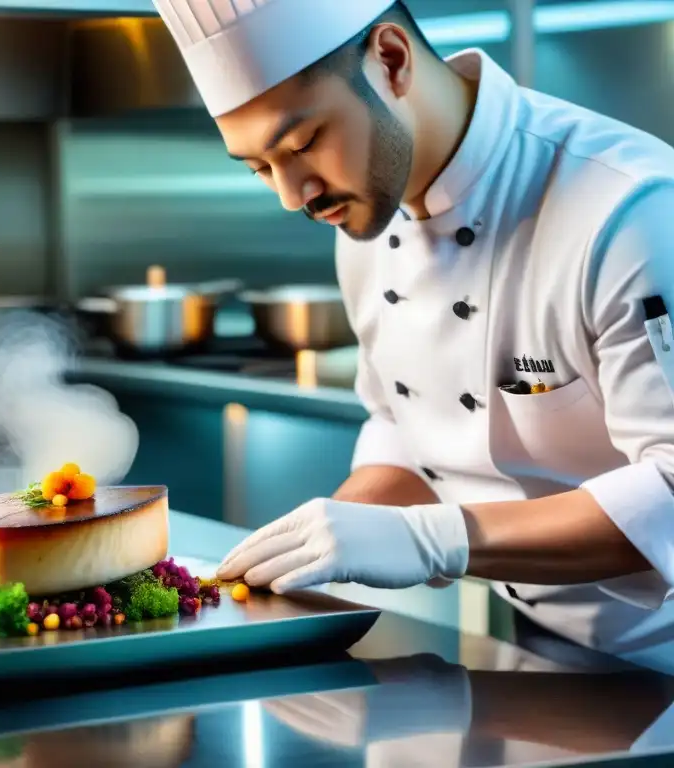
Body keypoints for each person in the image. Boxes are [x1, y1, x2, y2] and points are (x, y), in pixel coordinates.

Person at [151, 0, 674, 667]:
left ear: (392, 60)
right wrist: (327, 534)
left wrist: (428, 539)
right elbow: (404, 424)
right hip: (545, 653)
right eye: (259, 167)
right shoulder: (364, 223)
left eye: (303, 143)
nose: (291, 195)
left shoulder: (628, 212)